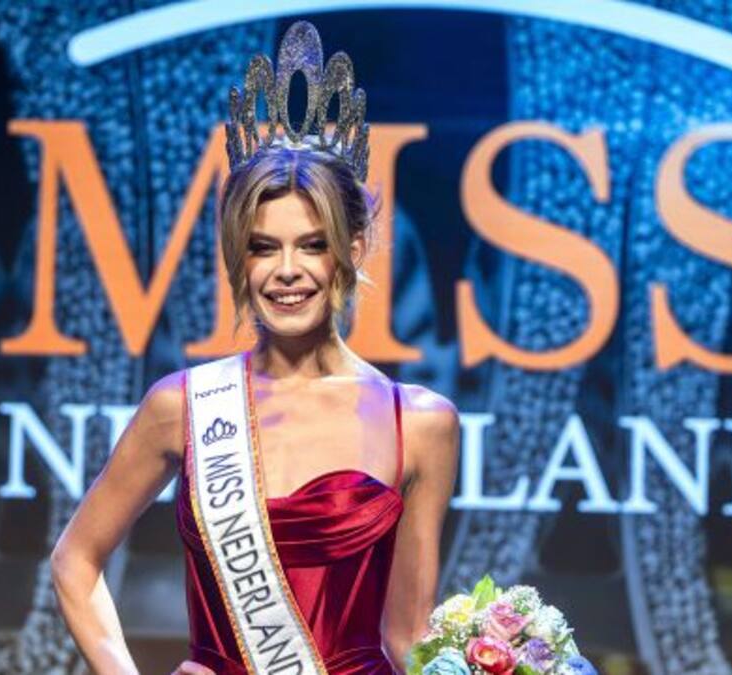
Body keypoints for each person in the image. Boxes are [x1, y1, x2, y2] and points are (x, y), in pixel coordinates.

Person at [49, 21, 459, 675]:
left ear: (351, 251)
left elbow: (409, 636)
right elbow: (74, 559)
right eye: (264, 247)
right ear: (239, 259)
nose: (287, 270)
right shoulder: (183, 406)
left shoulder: (422, 422)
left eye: (313, 245)